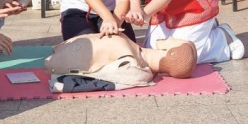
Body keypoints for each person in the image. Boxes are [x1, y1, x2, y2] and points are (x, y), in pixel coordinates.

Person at [45, 35, 198, 92]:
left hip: (62, 58)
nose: (170, 37)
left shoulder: (131, 61)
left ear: (170, 52)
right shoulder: (140, 64)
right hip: (66, 52)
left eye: (175, 40)